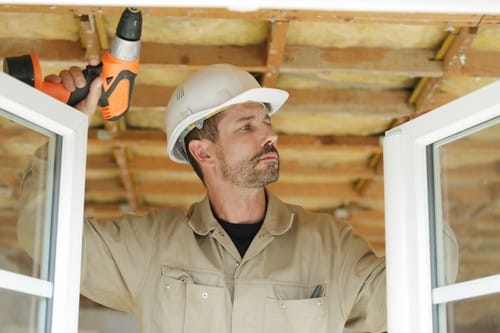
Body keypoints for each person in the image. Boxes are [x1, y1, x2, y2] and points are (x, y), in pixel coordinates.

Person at [18, 60, 458, 333]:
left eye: (265, 123)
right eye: (247, 126)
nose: (269, 136)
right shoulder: (151, 247)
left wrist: (425, 162)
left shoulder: (330, 246)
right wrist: (62, 131)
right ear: (202, 150)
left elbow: (422, 287)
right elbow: (43, 236)